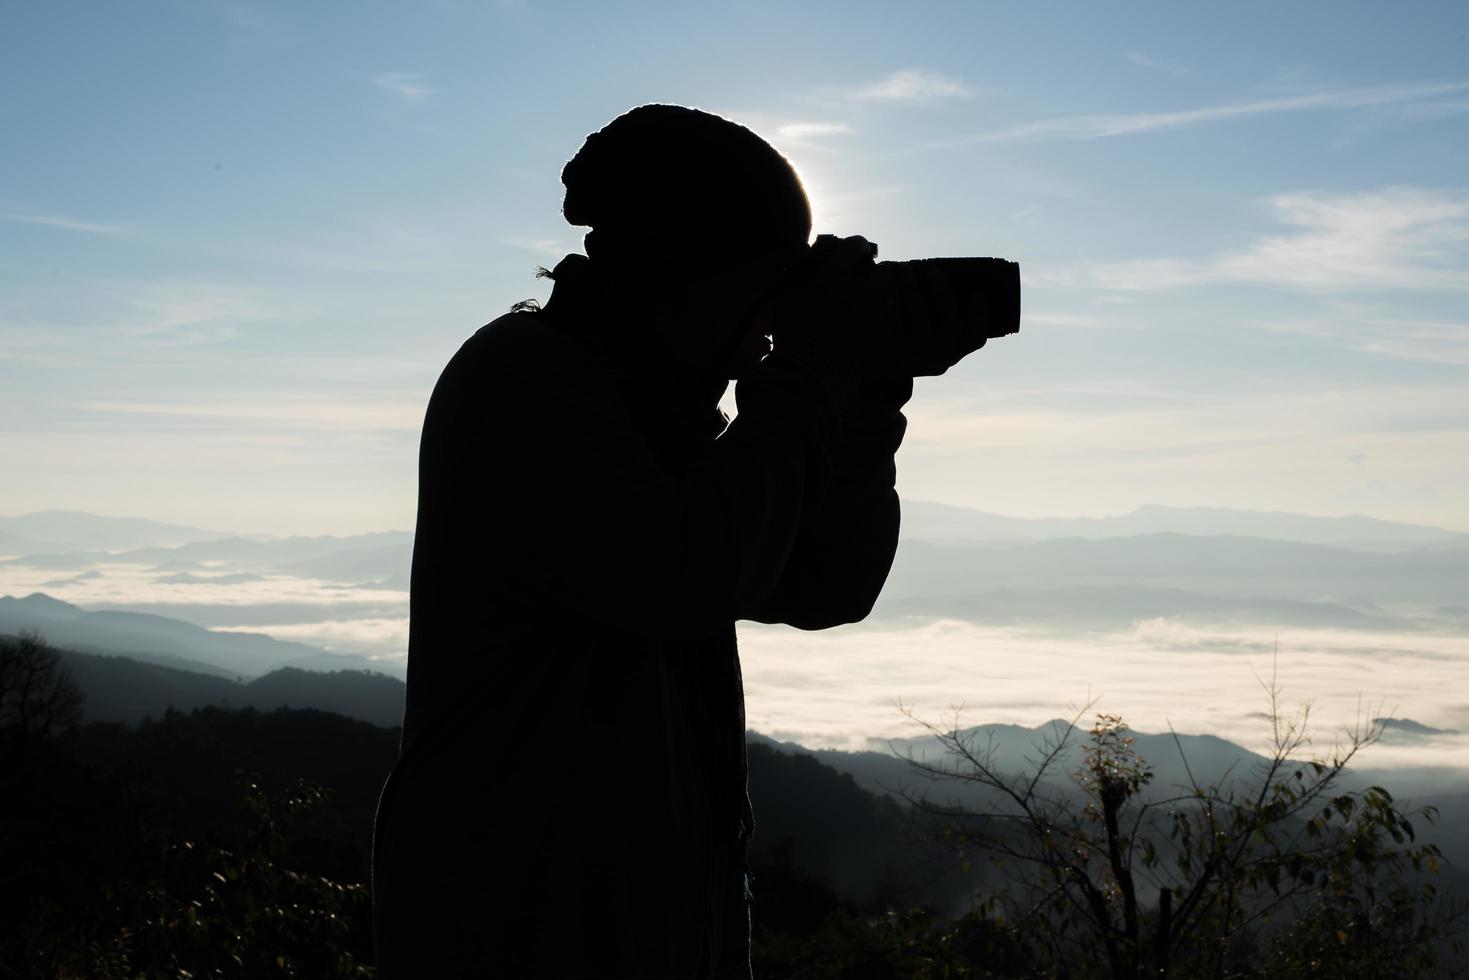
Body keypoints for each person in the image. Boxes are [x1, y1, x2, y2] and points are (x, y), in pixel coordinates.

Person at [371, 104, 912, 978]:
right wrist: (809, 377)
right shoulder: (524, 380)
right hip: (513, 931)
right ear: (680, 269)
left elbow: (824, 584)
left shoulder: (656, 422)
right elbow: (688, 574)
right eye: (755, 298)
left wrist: (865, 409)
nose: (757, 343)